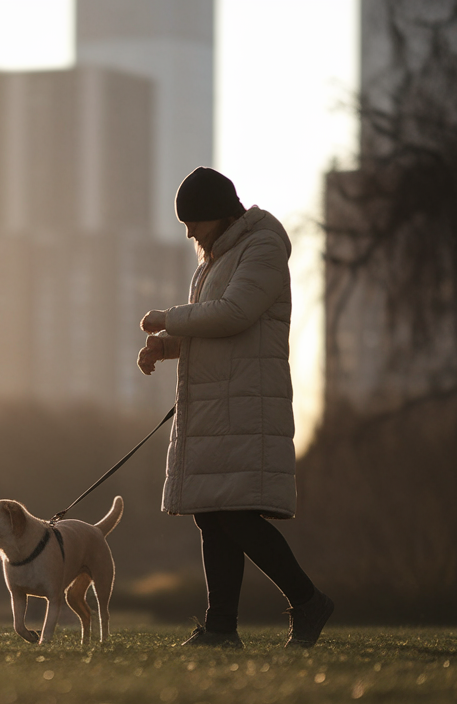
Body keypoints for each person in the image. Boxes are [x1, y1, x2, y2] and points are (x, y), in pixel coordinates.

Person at [137, 167, 333, 648]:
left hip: (247, 404)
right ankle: (221, 628)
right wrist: (167, 346)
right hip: (218, 405)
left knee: (237, 515)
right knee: (213, 512)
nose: (189, 232)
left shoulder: (262, 248)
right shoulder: (221, 256)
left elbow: (234, 314)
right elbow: (215, 329)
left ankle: (308, 602)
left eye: (194, 221)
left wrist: (167, 317)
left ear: (221, 214)